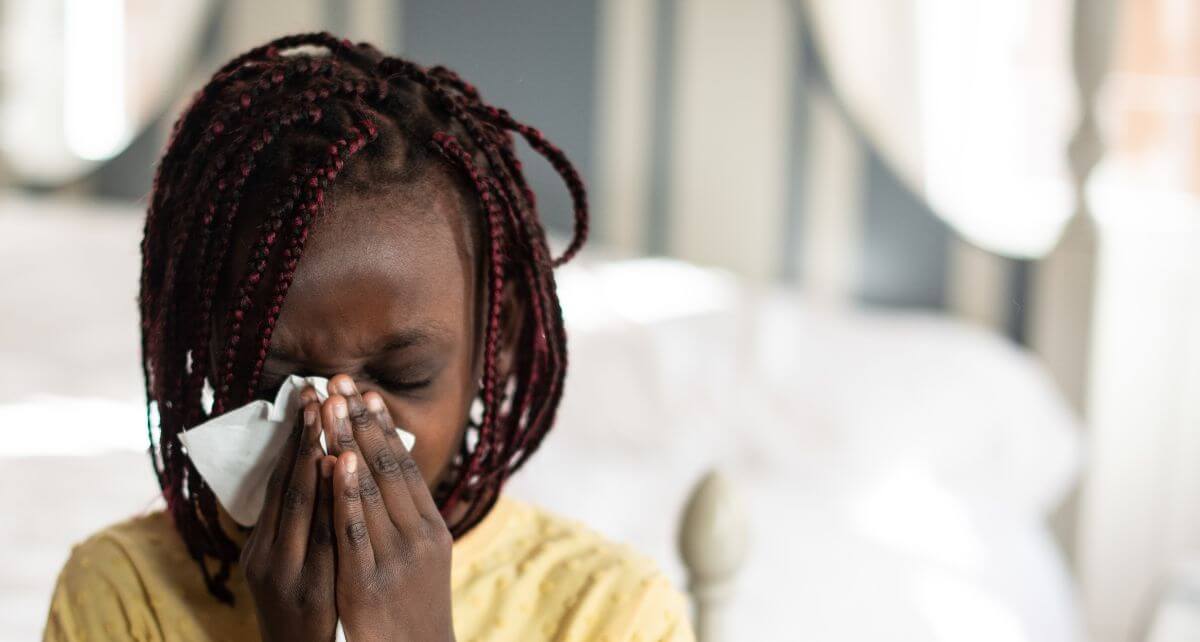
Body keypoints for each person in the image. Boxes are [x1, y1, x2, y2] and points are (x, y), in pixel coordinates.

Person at [43, 32, 694, 642]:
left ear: (497, 340)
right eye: (276, 380)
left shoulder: (609, 611)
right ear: (209, 346)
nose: (335, 424)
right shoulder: (125, 594)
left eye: (404, 375)